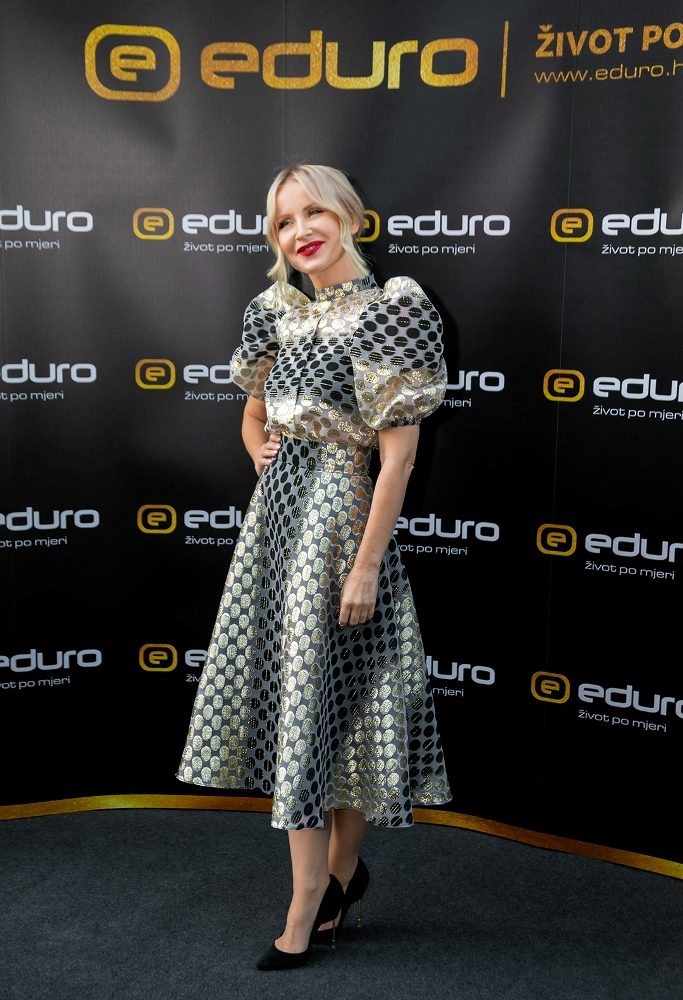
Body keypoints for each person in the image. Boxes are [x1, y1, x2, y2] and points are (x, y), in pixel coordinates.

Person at [176, 163, 452, 970]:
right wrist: (259, 451)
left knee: (346, 702)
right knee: (303, 704)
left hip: (340, 530)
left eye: (312, 212)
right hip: (274, 531)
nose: (299, 230)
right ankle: (328, 886)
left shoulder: (393, 309)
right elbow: (253, 413)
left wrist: (364, 568)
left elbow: (397, 461)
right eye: (282, 221)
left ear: (349, 217)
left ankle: (319, 891)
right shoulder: (277, 313)